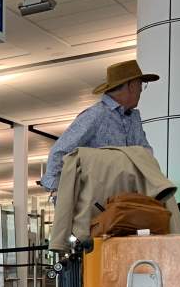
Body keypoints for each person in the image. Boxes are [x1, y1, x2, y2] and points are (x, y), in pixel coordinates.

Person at [40, 60, 160, 193]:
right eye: (140, 84)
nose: (141, 90)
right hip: (99, 199)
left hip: (126, 197)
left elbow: (145, 153)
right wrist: (61, 192)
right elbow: (59, 152)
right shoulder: (97, 114)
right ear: (131, 86)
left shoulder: (133, 118)